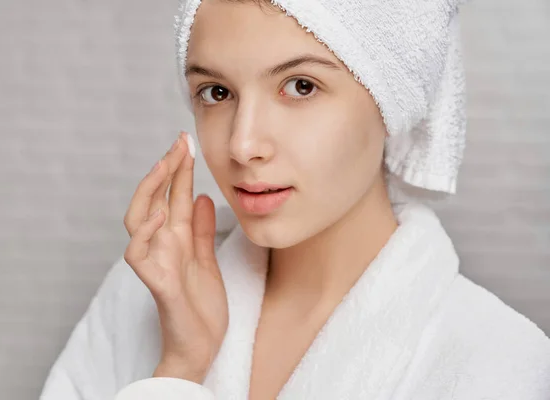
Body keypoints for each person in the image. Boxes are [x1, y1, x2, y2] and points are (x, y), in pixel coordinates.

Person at [39, 0, 550, 399]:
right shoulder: (141, 297)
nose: (242, 145)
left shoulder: (499, 359)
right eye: (216, 93)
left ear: (392, 100)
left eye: (300, 86)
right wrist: (180, 369)